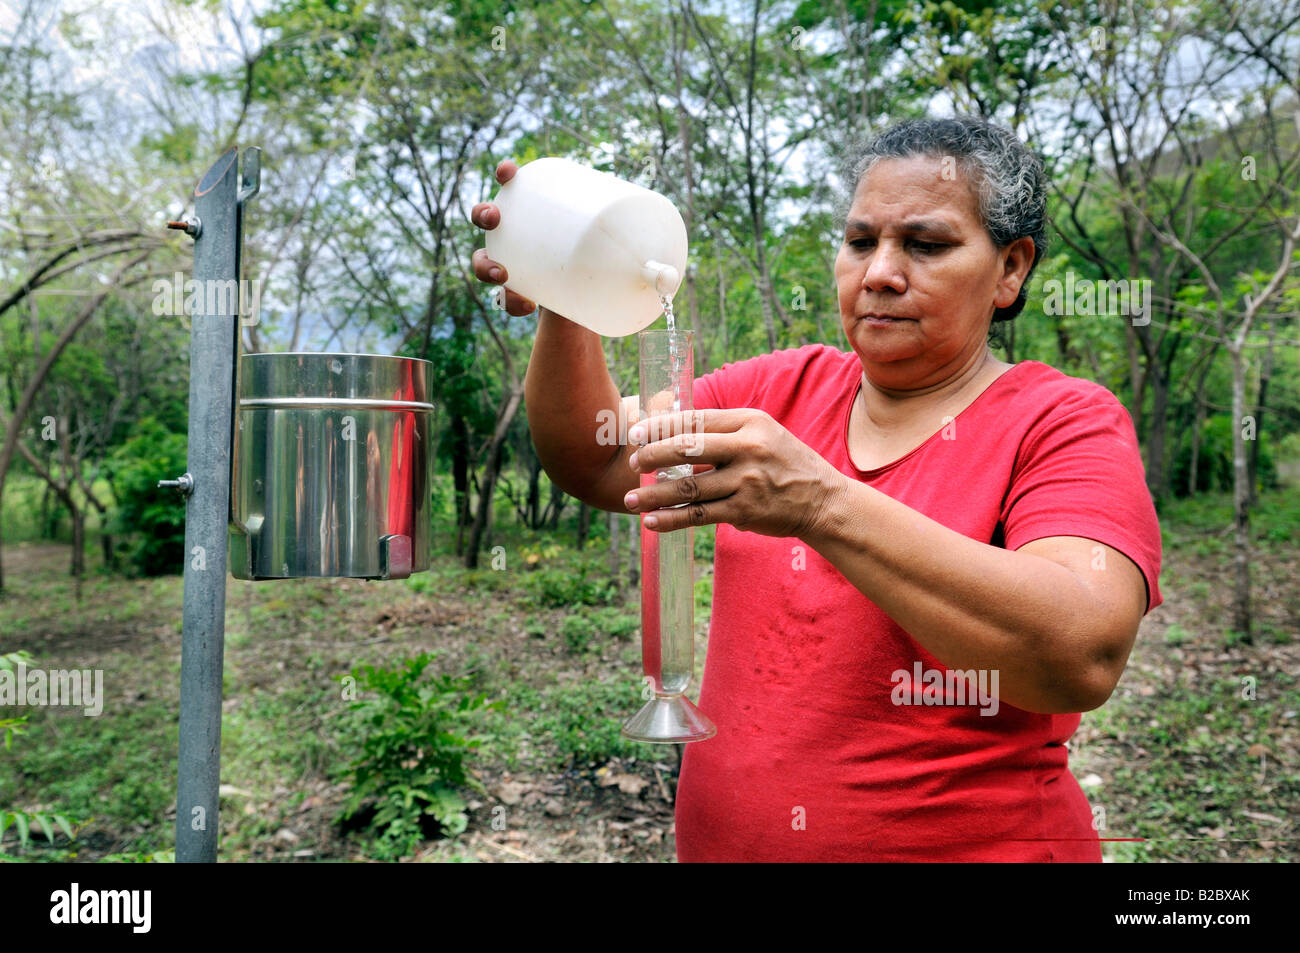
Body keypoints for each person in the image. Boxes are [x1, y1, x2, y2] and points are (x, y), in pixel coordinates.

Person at [470, 115, 1162, 862]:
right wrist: (568, 290)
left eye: (925, 245)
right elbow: (599, 458)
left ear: (1011, 269)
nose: (880, 272)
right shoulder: (780, 388)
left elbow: (1081, 651)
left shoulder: (1061, 419)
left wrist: (821, 505)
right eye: (861, 241)